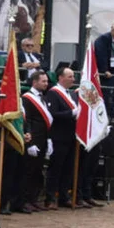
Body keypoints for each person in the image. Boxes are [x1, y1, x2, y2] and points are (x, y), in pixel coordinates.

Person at [45, 66, 79, 208]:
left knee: (68, 168)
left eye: (73, 76)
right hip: (59, 136)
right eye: (70, 76)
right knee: (56, 168)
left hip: (71, 136)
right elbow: (52, 114)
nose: (73, 79)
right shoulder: (54, 93)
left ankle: (64, 196)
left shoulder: (71, 94)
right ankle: (51, 197)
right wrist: (71, 113)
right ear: (60, 77)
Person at [20, 70, 53, 212]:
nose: (46, 83)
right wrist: (29, 143)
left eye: (46, 81)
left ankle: (33, 199)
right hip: (32, 139)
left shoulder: (42, 97)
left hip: (43, 139)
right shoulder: (27, 98)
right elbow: (27, 121)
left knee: (37, 171)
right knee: (28, 171)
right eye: (43, 81)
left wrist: (49, 139)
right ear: (34, 82)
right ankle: (24, 201)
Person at [94, 21, 114, 117]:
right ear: (112, 30)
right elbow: (101, 56)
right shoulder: (103, 39)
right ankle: (104, 115)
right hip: (105, 73)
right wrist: (104, 70)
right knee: (105, 95)